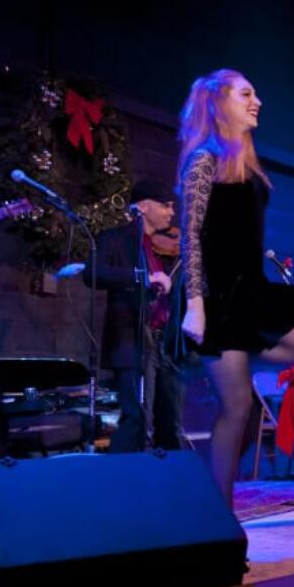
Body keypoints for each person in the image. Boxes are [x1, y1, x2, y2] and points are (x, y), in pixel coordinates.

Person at [176, 69, 294, 508]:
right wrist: (195, 305)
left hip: (251, 293)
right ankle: (217, 513)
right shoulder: (203, 159)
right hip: (218, 300)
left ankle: (241, 355)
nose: (257, 101)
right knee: (238, 406)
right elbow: (190, 236)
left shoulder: (246, 163)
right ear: (219, 101)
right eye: (246, 93)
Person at [83, 179, 185, 452]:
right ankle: (128, 481)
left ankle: (168, 482)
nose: (171, 212)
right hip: (134, 339)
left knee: (171, 421)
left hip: (166, 342)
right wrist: (142, 277)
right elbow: (92, 273)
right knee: (138, 419)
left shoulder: (167, 247)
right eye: (165, 205)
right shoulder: (114, 239)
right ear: (142, 207)